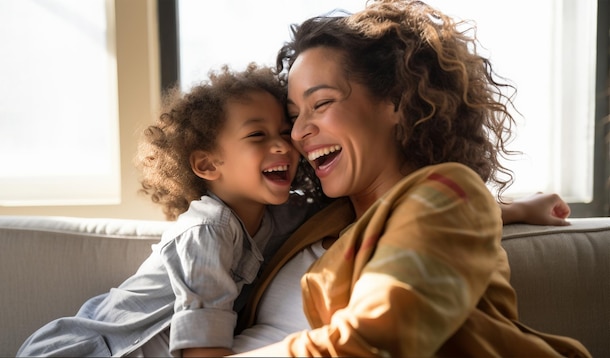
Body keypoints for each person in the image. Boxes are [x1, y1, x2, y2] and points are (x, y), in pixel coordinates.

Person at [230, 1, 591, 356]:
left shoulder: (450, 194)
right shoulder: (312, 220)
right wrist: (514, 209)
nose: (297, 133)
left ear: (397, 102)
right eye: (294, 116)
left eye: (321, 103)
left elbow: (376, 339)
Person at [16, 64, 321, 357]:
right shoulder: (208, 230)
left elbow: (339, 207)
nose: (282, 146)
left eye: (284, 132)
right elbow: (202, 350)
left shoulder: (281, 216)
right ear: (207, 164)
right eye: (257, 135)